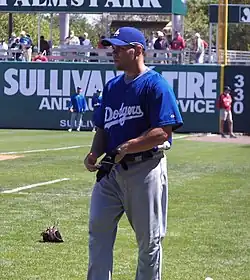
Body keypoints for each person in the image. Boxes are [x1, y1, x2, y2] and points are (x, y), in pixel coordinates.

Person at [83, 27, 183, 280]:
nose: (113, 52)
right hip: (111, 174)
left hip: (145, 170)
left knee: (149, 242)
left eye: (119, 47)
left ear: (137, 50)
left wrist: (127, 146)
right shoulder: (112, 87)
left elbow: (163, 132)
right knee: (98, 231)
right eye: (112, 47)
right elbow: (103, 128)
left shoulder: (155, 84)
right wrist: (94, 153)